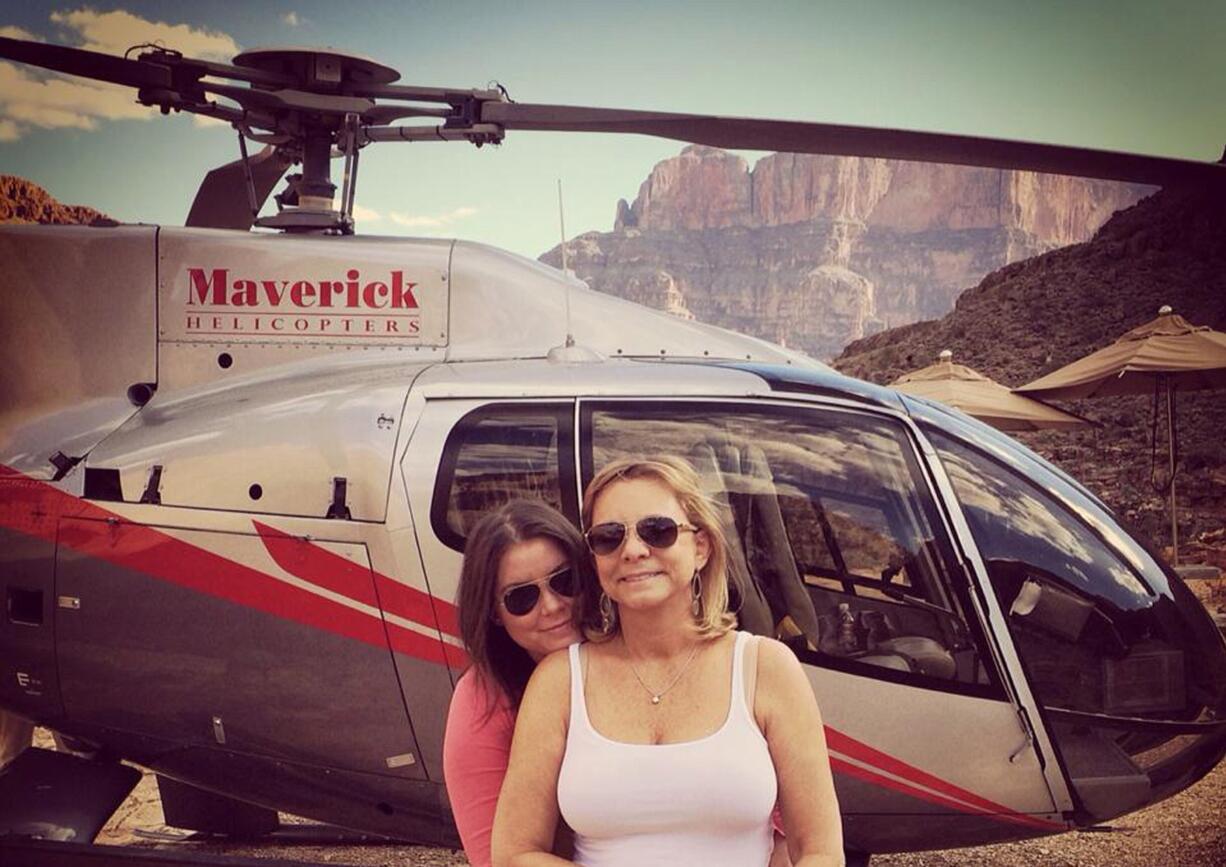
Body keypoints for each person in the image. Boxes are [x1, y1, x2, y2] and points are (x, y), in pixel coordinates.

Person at [491, 457, 844, 867]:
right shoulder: (559, 682)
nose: (634, 550)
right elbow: (515, 852)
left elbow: (819, 851)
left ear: (700, 547)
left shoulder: (765, 668)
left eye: (657, 531)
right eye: (609, 537)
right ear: (595, 560)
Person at [443, 499, 588, 867]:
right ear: (493, 611)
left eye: (564, 580)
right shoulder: (483, 701)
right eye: (522, 597)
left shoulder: (627, 658)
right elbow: (494, 857)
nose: (553, 605)